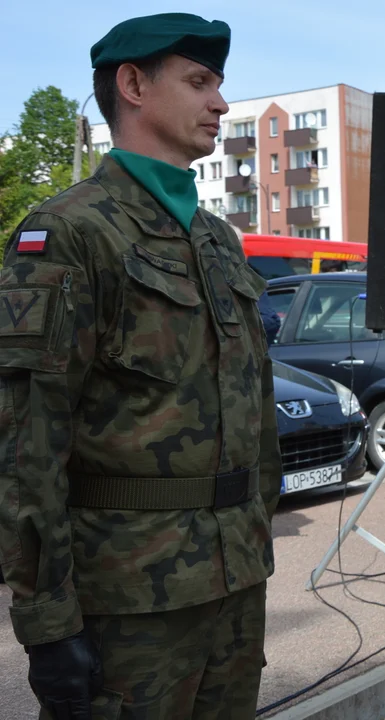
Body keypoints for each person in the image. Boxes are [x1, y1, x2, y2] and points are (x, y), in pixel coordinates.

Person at [0, 14, 281, 719]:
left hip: (234, 582)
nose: (219, 102)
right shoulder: (69, 229)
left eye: (218, 84)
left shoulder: (217, 239)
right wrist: (47, 624)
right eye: (198, 82)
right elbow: (27, 441)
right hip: (130, 598)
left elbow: (250, 403)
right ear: (132, 85)